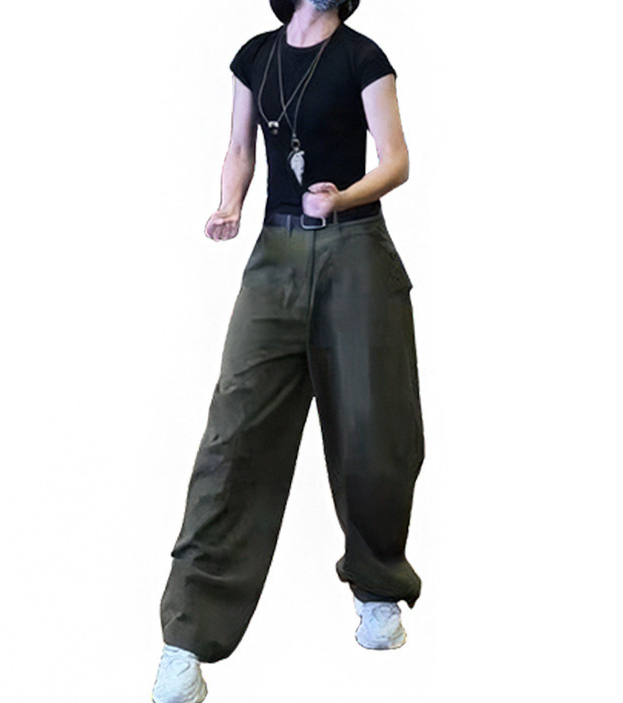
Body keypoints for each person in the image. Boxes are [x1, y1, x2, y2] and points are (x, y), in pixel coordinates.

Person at [152, 1, 425, 701]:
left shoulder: (364, 58)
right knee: (234, 433)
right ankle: (187, 637)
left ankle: (377, 589)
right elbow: (240, 148)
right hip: (274, 253)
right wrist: (229, 204)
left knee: (374, 429)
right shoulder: (254, 57)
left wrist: (343, 197)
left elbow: (396, 160)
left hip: (356, 251)